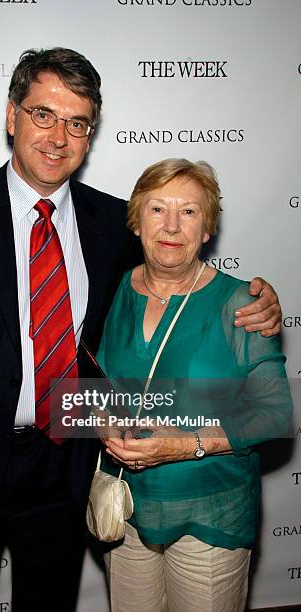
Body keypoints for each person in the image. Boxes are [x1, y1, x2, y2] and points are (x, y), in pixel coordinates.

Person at [0, 48, 281, 611]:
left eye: (77, 122)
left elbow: (179, 274)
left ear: (91, 134)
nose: (58, 136)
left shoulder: (113, 223)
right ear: (12, 117)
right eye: (43, 114)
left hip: (63, 464)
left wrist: (258, 296)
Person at [96, 158, 292, 612]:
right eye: (157, 209)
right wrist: (104, 425)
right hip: (126, 513)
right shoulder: (118, 288)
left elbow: (276, 413)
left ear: (208, 229)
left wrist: (181, 445)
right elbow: (97, 385)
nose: (171, 225)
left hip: (211, 517)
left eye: (189, 212)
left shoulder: (241, 301)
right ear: (136, 221)